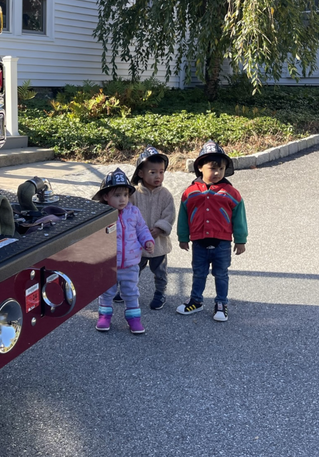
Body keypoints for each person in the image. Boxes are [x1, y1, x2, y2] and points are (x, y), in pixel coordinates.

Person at [176, 141, 247, 322]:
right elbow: (183, 216)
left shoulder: (231, 192)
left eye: (221, 169)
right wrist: (183, 237)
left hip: (222, 243)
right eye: (212, 168)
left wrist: (240, 240)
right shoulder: (190, 192)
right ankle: (196, 301)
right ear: (200, 167)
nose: (217, 173)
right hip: (199, 242)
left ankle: (221, 303)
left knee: (221, 274)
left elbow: (239, 218)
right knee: (199, 273)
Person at [92, 168, 154, 334]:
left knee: (131, 292)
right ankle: (104, 316)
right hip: (108, 264)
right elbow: (94, 238)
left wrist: (147, 240)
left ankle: (134, 319)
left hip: (131, 264)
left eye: (125, 195)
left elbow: (142, 229)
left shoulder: (133, 212)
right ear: (106, 197)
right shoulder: (102, 215)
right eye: (117, 195)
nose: (122, 199)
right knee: (106, 292)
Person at [129, 146, 176, 310]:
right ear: (141, 173)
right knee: (133, 270)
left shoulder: (165, 195)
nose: (158, 176)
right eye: (153, 172)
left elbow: (169, 215)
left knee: (160, 272)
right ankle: (128, 291)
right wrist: (136, 233)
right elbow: (128, 215)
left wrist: (158, 229)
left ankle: (160, 294)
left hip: (159, 243)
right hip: (137, 244)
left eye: (161, 172)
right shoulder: (133, 194)